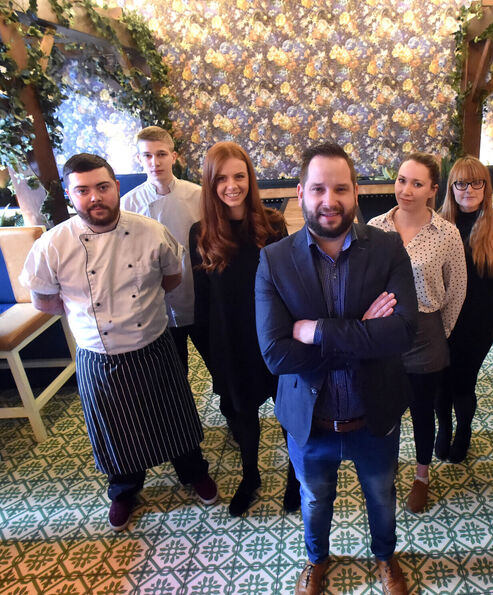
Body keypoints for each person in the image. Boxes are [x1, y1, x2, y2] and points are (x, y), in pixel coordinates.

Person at [21, 153, 217, 532]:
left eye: (102, 187)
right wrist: (85, 317)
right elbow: (44, 300)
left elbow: (171, 278)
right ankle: (124, 489)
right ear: (69, 194)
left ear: (116, 188)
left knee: (174, 415)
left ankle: (193, 472)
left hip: (153, 340)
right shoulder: (52, 245)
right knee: (114, 429)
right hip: (98, 351)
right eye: (83, 191)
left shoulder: (149, 231)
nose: (95, 197)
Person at [255, 142, 417, 595]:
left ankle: (385, 558)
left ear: (356, 192)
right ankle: (316, 561)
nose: (331, 200)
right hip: (311, 419)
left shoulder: (387, 249)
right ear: (301, 193)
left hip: (374, 415)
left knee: (381, 498)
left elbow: (403, 332)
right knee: (314, 499)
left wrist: (318, 331)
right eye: (319, 189)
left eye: (341, 188)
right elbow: (276, 354)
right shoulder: (275, 260)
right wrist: (361, 333)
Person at [189, 141, 300, 517]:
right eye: (222, 178)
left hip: (272, 339)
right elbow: (202, 303)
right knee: (243, 418)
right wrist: (211, 356)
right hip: (231, 343)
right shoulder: (200, 234)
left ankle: (295, 477)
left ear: (250, 179)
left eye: (239, 176)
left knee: (286, 413)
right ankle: (250, 476)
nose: (232, 185)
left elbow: (290, 289)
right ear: (210, 183)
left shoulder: (273, 224)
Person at [369, 153, 467, 513]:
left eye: (416, 183)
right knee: (387, 409)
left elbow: (456, 290)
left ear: (433, 190)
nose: (406, 190)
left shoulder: (446, 234)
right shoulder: (376, 228)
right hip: (385, 331)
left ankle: (422, 475)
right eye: (401, 180)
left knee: (423, 411)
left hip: (427, 332)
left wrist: (440, 331)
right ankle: (387, 466)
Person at [437, 156, 493, 463]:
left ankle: (464, 430)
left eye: (476, 182)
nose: (468, 189)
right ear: (451, 188)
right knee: (440, 385)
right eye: (460, 183)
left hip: (477, 319)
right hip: (441, 320)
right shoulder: (437, 224)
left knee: (464, 383)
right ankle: (444, 429)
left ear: (486, 186)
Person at [121, 126, 202, 372]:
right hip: (158, 302)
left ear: (173, 157)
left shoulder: (197, 195)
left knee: (220, 365)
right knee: (175, 372)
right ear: (139, 159)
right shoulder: (129, 205)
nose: (154, 162)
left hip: (198, 295)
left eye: (161, 154)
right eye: (147, 155)